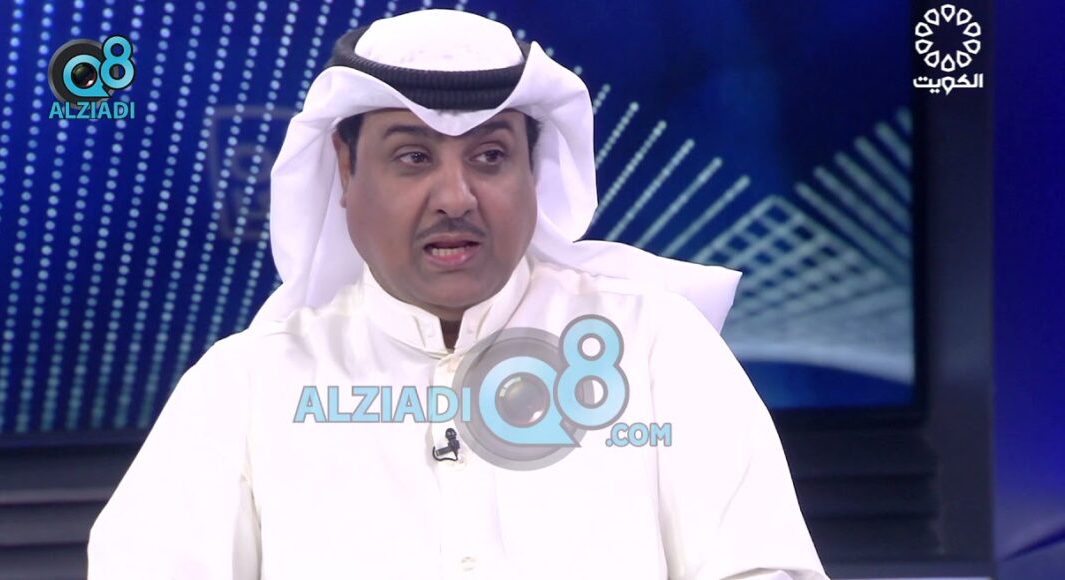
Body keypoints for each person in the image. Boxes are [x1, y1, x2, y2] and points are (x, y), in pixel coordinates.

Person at [87, 9, 827, 579]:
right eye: (413, 157)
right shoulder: (245, 385)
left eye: (490, 156)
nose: (456, 196)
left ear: (533, 172)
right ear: (345, 172)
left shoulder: (659, 347)